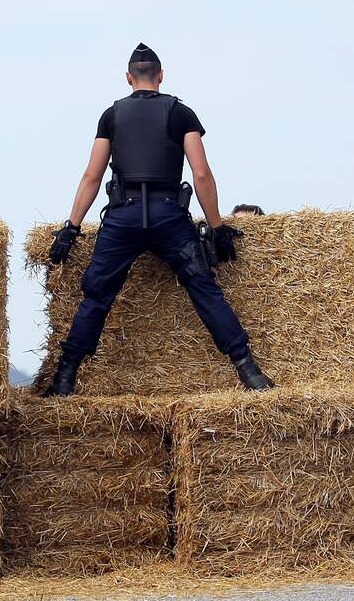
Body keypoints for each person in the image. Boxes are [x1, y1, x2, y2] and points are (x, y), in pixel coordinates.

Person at [45, 43, 273, 396]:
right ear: (161, 76)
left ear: (128, 78)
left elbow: (92, 176)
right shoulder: (181, 113)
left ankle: (64, 378)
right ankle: (249, 371)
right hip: (169, 217)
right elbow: (201, 174)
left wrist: (71, 228)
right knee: (203, 287)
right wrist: (217, 227)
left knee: (96, 296)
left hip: (123, 218)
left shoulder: (111, 116)